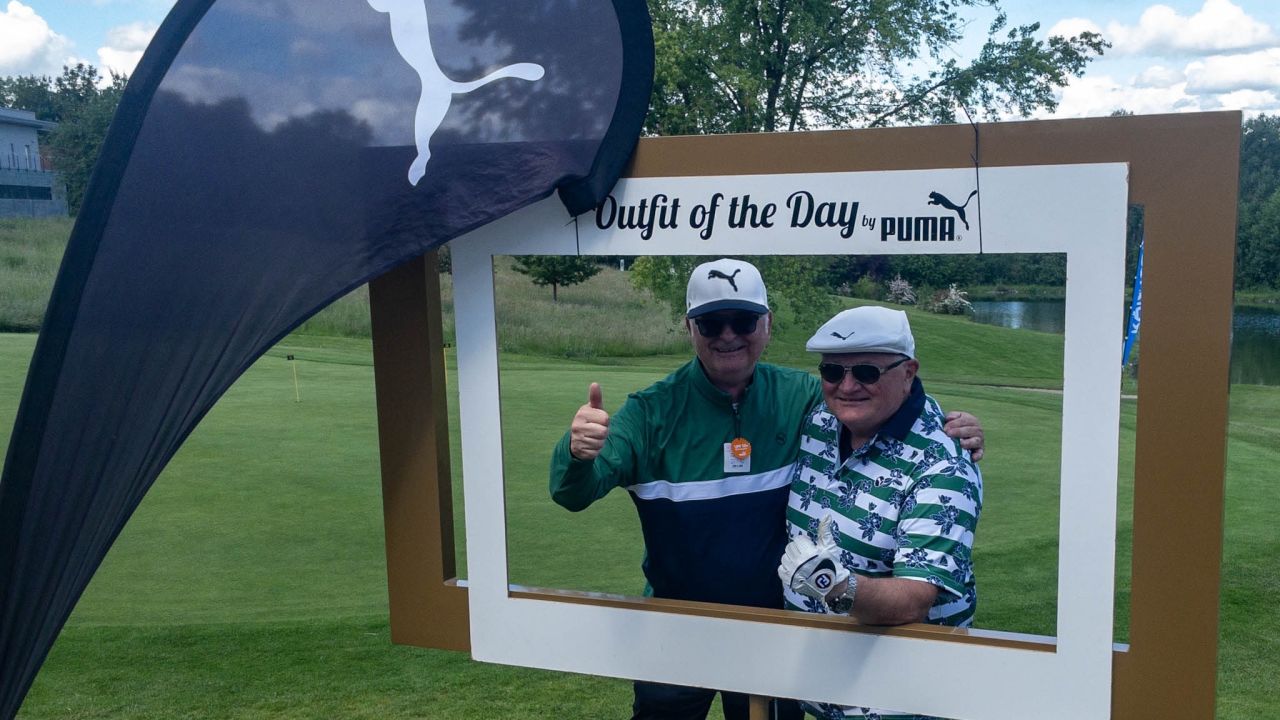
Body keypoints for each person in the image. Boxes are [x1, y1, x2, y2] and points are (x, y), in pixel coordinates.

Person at [549, 259, 984, 720]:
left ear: (767, 325)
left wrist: (950, 428)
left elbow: (879, 396)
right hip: (675, 625)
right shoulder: (650, 412)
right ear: (690, 327)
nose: (728, 335)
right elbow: (574, 492)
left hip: (773, 624)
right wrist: (577, 452)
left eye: (743, 321)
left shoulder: (801, 396)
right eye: (711, 322)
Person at [778, 306, 982, 720]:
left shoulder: (943, 466)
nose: (847, 386)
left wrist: (834, 584)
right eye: (832, 371)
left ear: (908, 373)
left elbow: (914, 599)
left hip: (904, 704)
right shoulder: (820, 421)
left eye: (867, 372)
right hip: (822, 690)